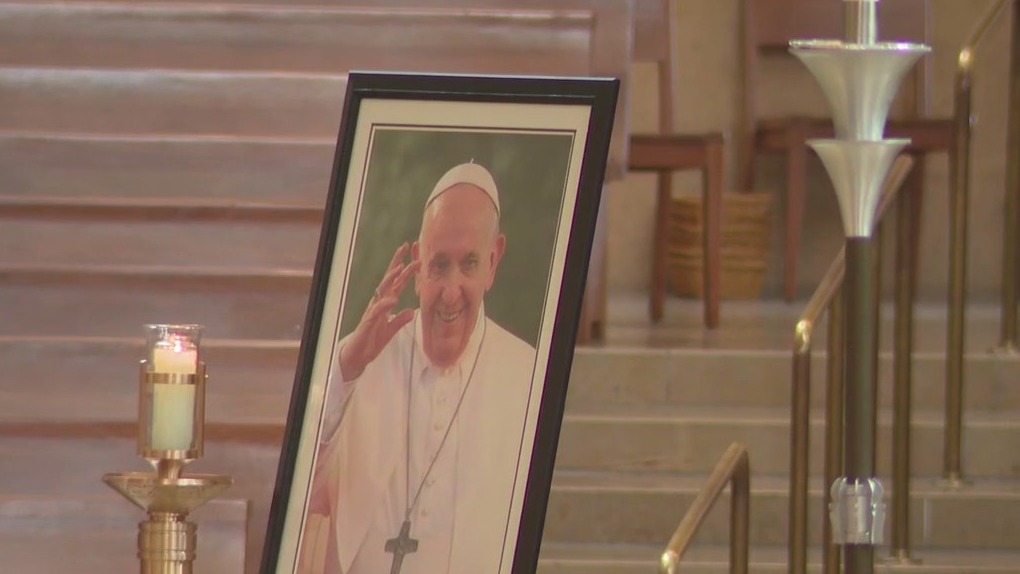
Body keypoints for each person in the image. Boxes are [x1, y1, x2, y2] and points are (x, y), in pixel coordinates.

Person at [300, 162, 539, 574]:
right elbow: (307, 489)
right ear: (417, 263)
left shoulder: (528, 377)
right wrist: (348, 368)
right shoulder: (363, 360)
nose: (450, 293)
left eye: (469, 264)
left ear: (493, 262)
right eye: (439, 264)